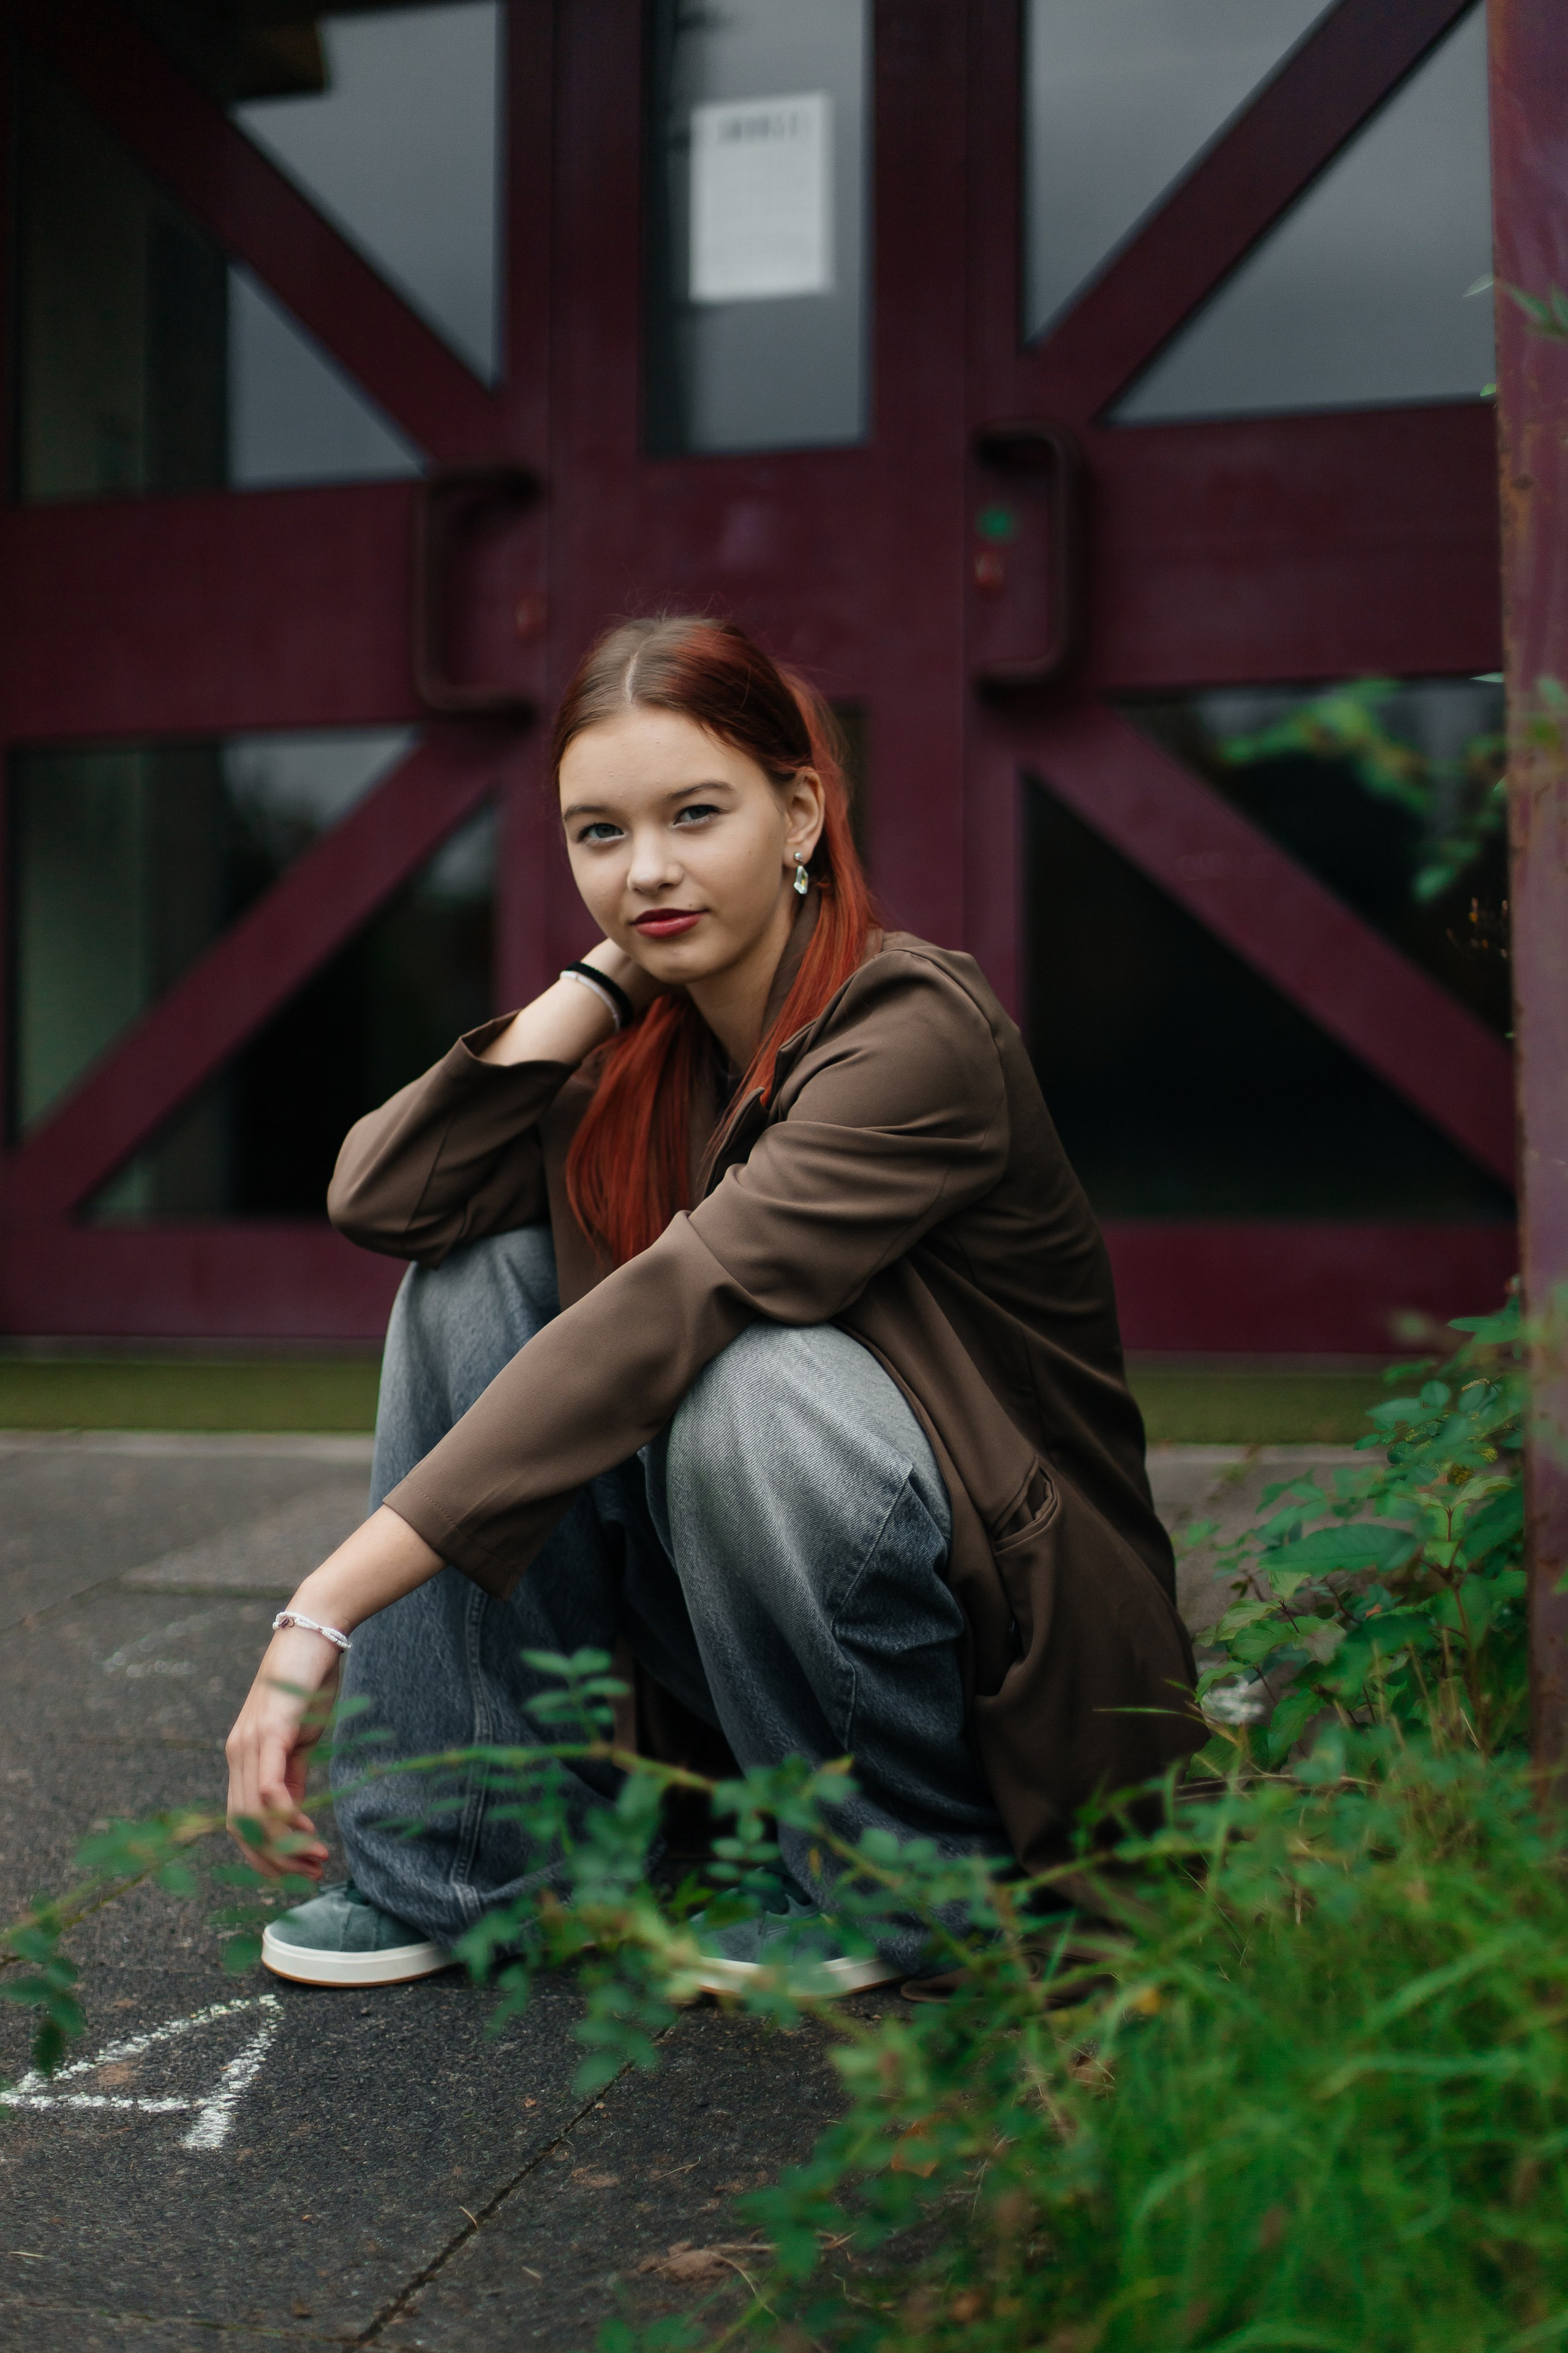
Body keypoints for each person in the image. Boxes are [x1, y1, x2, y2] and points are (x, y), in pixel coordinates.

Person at [224, 614, 1198, 1993]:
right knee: (473, 1277)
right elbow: (389, 1199)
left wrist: (322, 1605)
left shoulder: (914, 1033)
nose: (647, 870)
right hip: (757, 1628)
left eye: (695, 815)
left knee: (749, 1373)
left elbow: (676, 1309)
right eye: (598, 834)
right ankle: (458, 1863)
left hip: (999, 1661)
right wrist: (594, 981)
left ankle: (904, 1874)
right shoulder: (649, 1051)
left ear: (799, 808)